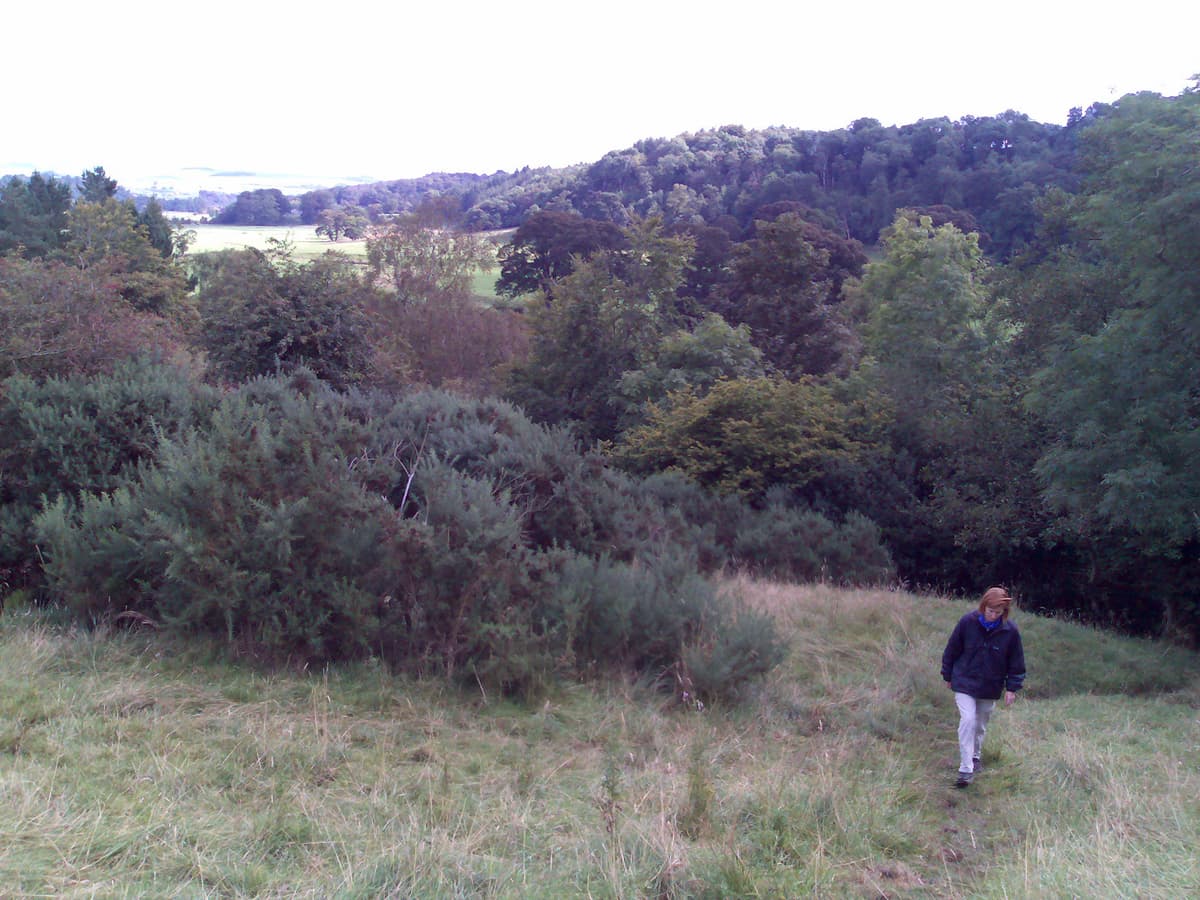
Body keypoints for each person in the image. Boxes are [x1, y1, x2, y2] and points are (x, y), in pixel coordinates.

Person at [941, 587, 1025, 788]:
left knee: (979, 725)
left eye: (998, 612)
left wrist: (1012, 688)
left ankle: (975, 756)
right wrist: (947, 674)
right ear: (983, 606)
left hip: (990, 686)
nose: (993, 615)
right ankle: (965, 769)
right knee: (968, 720)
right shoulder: (967, 623)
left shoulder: (1010, 631)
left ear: (1004, 612)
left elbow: (1016, 662)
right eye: (990, 611)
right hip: (964, 680)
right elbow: (952, 649)